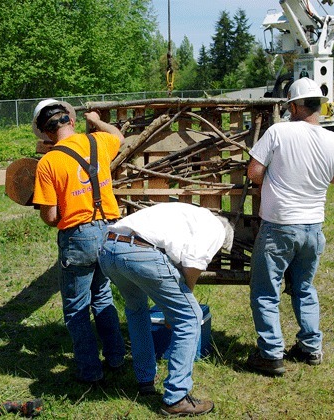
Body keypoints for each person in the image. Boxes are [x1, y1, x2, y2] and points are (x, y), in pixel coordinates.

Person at [245, 77, 334, 376]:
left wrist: (278, 180)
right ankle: (310, 347)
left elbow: (254, 172)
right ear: (319, 105)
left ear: (293, 105)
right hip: (314, 227)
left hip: (279, 226)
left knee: (265, 291)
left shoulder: (280, 132)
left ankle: (271, 354)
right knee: (304, 287)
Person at [98, 202, 234, 417]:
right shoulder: (216, 228)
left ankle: (145, 381)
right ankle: (177, 397)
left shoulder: (188, 215)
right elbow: (193, 262)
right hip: (139, 251)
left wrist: (172, 306)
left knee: (136, 312)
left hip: (109, 248)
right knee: (190, 318)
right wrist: (183, 303)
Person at [31, 99, 126, 384]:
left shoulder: (48, 163)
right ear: (71, 121)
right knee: (103, 297)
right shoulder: (99, 142)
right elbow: (120, 137)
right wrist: (96, 120)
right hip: (110, 230)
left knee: (76, 307)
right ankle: (117, 357)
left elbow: (50, 216)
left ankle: (90, 371)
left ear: (46, 133)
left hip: (78, 237)